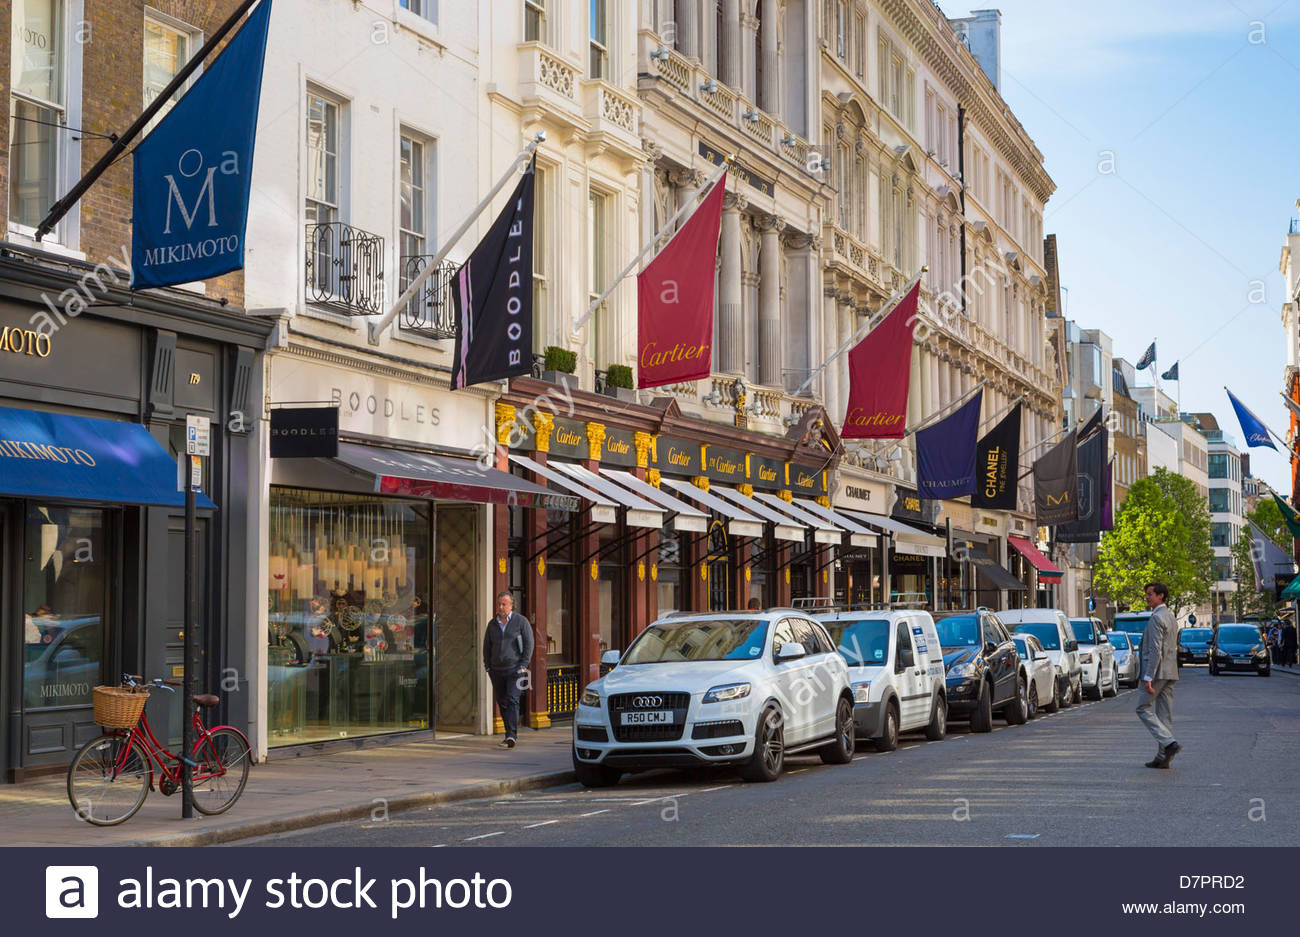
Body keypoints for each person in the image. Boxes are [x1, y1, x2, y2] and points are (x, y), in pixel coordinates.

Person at [1136, 582, 1181, 769]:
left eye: (1150, 594)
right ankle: (1163, 757)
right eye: (1146, 594)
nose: (1147, 597)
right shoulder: (1170, 616)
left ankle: (1170, 744)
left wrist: (1148, 677)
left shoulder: (1156, 618)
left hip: (1157, 672)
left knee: (1142, 708)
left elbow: (1155, 650)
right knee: (1164, 715)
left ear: (1161, 596)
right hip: (1171, 671)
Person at [482, 590, 534, 749]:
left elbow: (529, 643)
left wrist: (523, 665)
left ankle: (512, 735)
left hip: (515, 669)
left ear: (511, 605)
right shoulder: (492, 624)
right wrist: (488, 666)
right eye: (499, 604)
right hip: (496, 670)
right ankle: (508, 733)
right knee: (503, 702)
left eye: (504, 604)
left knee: (512, 699)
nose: (500, 607)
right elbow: (487, 646)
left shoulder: (521, 621)